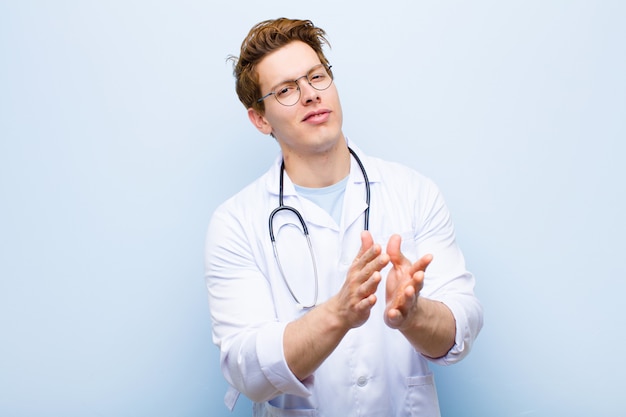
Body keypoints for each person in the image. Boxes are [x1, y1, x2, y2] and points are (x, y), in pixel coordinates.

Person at [204, 17, 483, 417]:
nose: (310, 95)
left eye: (317, 77)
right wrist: (338, 313)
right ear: (260, 119)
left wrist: (413, 315)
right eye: (285, 90)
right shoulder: (235, 223)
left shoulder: (413, 191)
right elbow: (246, 370)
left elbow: (462, 327)